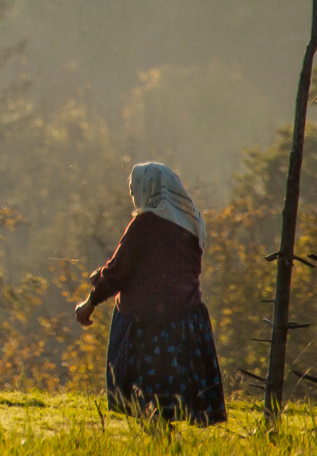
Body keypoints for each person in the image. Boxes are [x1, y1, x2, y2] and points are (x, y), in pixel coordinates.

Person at [74, 162, 227, 425]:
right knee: (169, 404)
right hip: (187, 323)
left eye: (134, 189)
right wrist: (103, 276)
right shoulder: (193, 223)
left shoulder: (145, 224)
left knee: (147, 404)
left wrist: (90, 301)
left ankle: (162, 444)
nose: (133, 195)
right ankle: (166, 444)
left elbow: (119, 271)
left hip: (149, 326)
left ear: (149, 188)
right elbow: (161, 268)